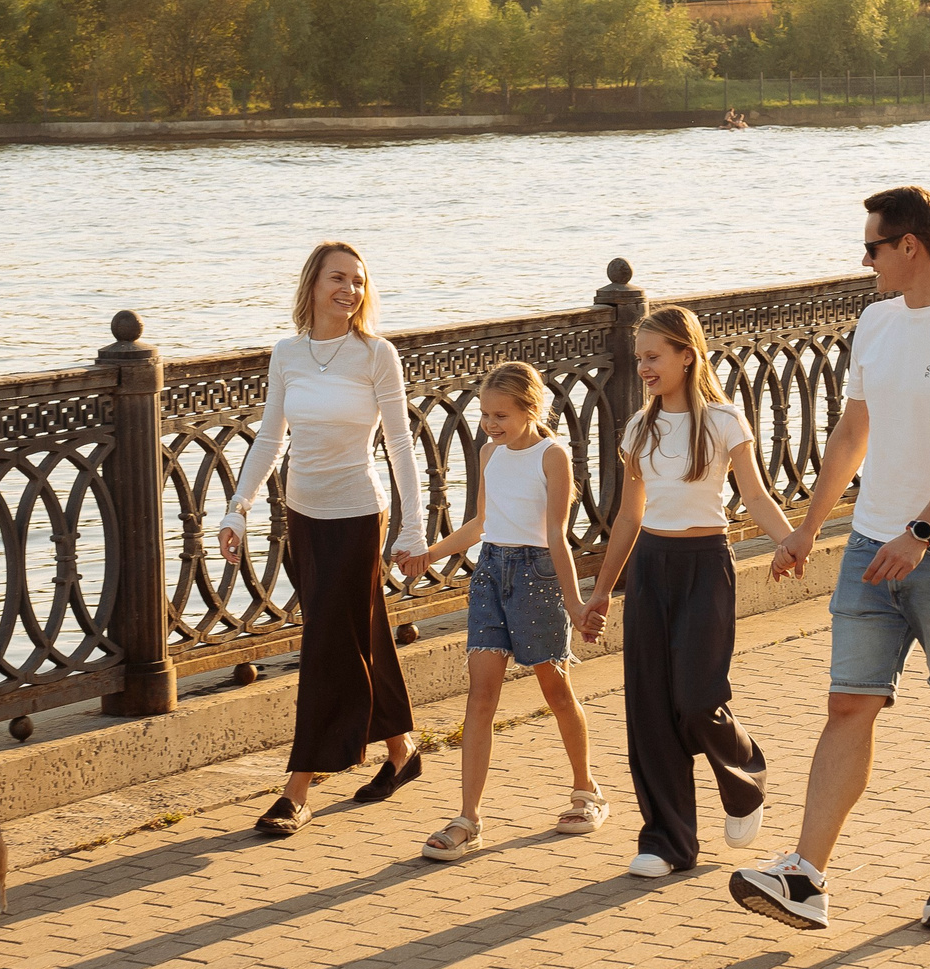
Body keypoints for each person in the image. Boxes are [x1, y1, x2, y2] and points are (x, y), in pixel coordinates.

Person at [734, 185, 930, 932]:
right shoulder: (875, 322)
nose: (865, 261)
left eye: (872, 248)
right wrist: (807, 528)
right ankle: (805, 875)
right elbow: (851, 433)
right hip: (869, 549)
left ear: (909, 247)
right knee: (848, 702)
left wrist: (919, 532)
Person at [578, 306, 796, 878]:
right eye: (639, 358)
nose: (644, 367)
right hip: (651, 566)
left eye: (653, 357)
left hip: (706, 565)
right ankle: (667, 842)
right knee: (649, 706)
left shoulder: (724, 422)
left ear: (686, 355)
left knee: (698, 696)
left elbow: (754, 493)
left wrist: (789, 543)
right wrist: (600, 591)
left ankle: (744, 772)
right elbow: (628, 517)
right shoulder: (638, 427)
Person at [220, 241, 429, 837]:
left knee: (324, 649)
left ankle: (298, 787)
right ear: (313, 283)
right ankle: (402, 750)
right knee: (359, 634)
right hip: (304, 518)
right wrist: (238, 511)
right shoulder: (286, 354)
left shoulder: (375, 355)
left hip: (360, 516)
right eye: (339, 278)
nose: (350, 290)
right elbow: (270, 439)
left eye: (359, 281)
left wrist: (412, 529)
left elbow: (400, 445)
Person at [398, 361, 610, 861]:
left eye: (501, 415)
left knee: (555, 689)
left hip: (537, 577)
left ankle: (587, 791)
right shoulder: (489, 452)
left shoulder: (552, 455)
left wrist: (576, 602)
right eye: (485, 414)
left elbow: (557, 535)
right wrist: (432, 553)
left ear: (530, 409)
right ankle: (468, 818)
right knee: (481, 697)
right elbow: (482, 522)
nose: (491, 424)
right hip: (491, 572)